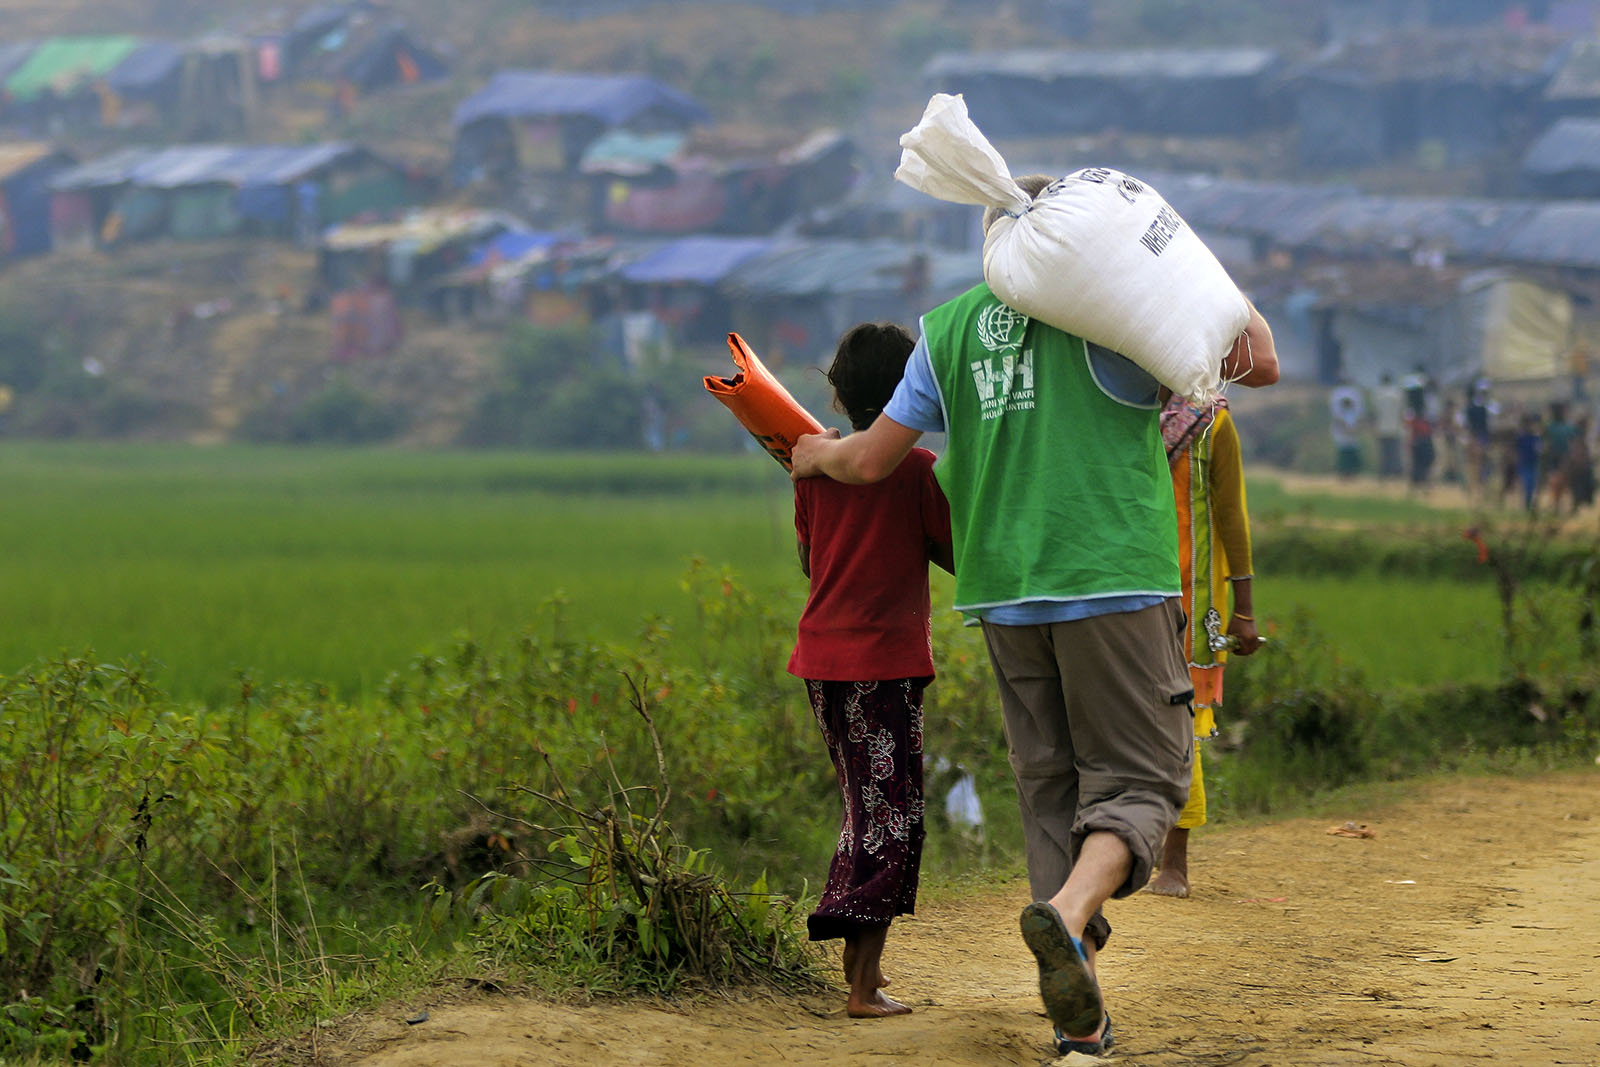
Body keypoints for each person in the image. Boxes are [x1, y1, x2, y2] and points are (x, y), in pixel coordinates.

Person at [790, 173, 1279, 1058]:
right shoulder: (1116, 316)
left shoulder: (945, 331)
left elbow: (867, 462)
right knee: (1144, 782)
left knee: (1050, 792)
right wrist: (1195, 267)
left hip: (1002, 595)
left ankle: (1078, 1022)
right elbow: (1259, 358)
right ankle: (1069, 911)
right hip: (1114, 581)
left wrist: (813, 455)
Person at [788, 321, 954, 1020]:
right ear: (913, 393)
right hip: (881, 666)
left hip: (822, 661)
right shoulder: (916, 471)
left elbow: (810, 561)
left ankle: (867, 970)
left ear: (838, 395)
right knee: (891, 818)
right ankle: (861, 984)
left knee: (865, 808)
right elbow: (956, 552)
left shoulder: (812, 466)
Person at [1147, 396, 1264, 899]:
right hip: (1126, 589)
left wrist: (1245, 608)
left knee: (1183, 725)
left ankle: (1174, 862)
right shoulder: (1117, 409)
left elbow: (1232, 513)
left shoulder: (1212, 424)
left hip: (1192, 599)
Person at [1372, 373, 1405, 480]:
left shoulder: (1377, 393)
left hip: (1382, 427)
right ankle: (1395, 473)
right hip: (1395, 427)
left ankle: (1384, 473)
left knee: (1384, 452)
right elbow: (1401, 411)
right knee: (1394, 452)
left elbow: (1375, 412)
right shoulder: (1397, 393)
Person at [1328, 381, 1365, 478]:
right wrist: (1346, 429)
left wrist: (1354, 430)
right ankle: (1343, 473)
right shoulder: (1341, 413)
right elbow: (1338, 422)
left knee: (1352, 456)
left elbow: (1358, 422)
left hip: (1352, 436)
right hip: (1343, 436)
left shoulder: (1353, 413)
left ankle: (1353, 473)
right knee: (1344, 455)